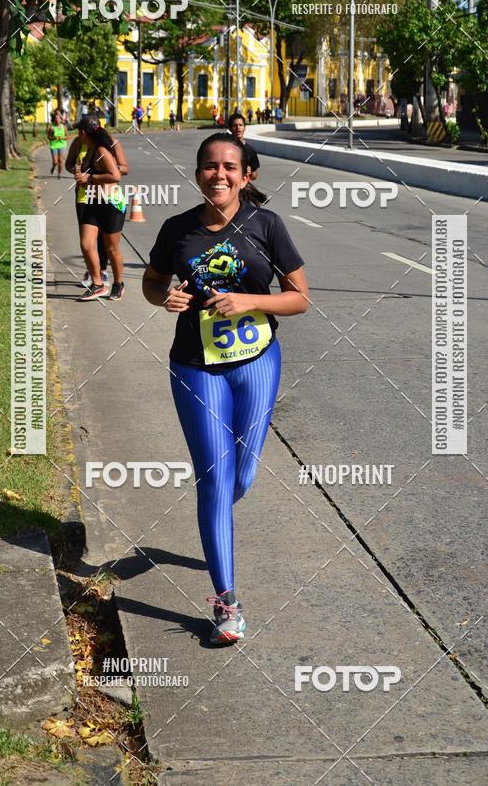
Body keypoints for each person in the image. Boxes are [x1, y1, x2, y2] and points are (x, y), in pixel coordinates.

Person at [142, 132, 308, 644]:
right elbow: (152, 282)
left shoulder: (266, 225)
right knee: (214, 478)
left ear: (245, 175)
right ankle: (226, 602)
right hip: (196, 366)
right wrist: (164, 298)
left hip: (257, 363)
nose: (219, 174)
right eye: (210, 166)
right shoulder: (177, 229)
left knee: (241, 476)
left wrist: (249, 301)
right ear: (198, 173)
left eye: (229, 167)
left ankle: (215, 521)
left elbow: (299, 298)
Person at [66, 116, 128, 300]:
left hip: (111, 203)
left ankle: (118, 283)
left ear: (84, 133)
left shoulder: (101, 150)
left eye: (80, 132)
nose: (78, 135)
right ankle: (97, 284)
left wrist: (90, 178)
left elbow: (116, 175)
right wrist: (80, 174)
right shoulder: (88, 149)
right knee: (86, 243)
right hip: (92, 200)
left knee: (111, 248)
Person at [227, 112, 260, 183]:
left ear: (244, 128)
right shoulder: (225, 148)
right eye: (235, 125)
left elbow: (254, 175)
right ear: (230, 129)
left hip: (243, 186)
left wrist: (250, 172)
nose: (238, 127)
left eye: (240, 125)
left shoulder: (250, 150)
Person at [47, 110, 67, 178]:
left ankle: (59, 174)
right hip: (54, 145)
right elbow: (48, 137)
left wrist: (62, 137)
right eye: (56, 118)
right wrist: (54, 138)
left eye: (58, 118)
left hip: (62, 145)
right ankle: (53, 166)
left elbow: (67, 136)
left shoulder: (64, 127)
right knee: (55, 162)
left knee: (60, 160)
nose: (57, 120)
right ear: (54, 120)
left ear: (60, 120)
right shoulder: (52, 128)